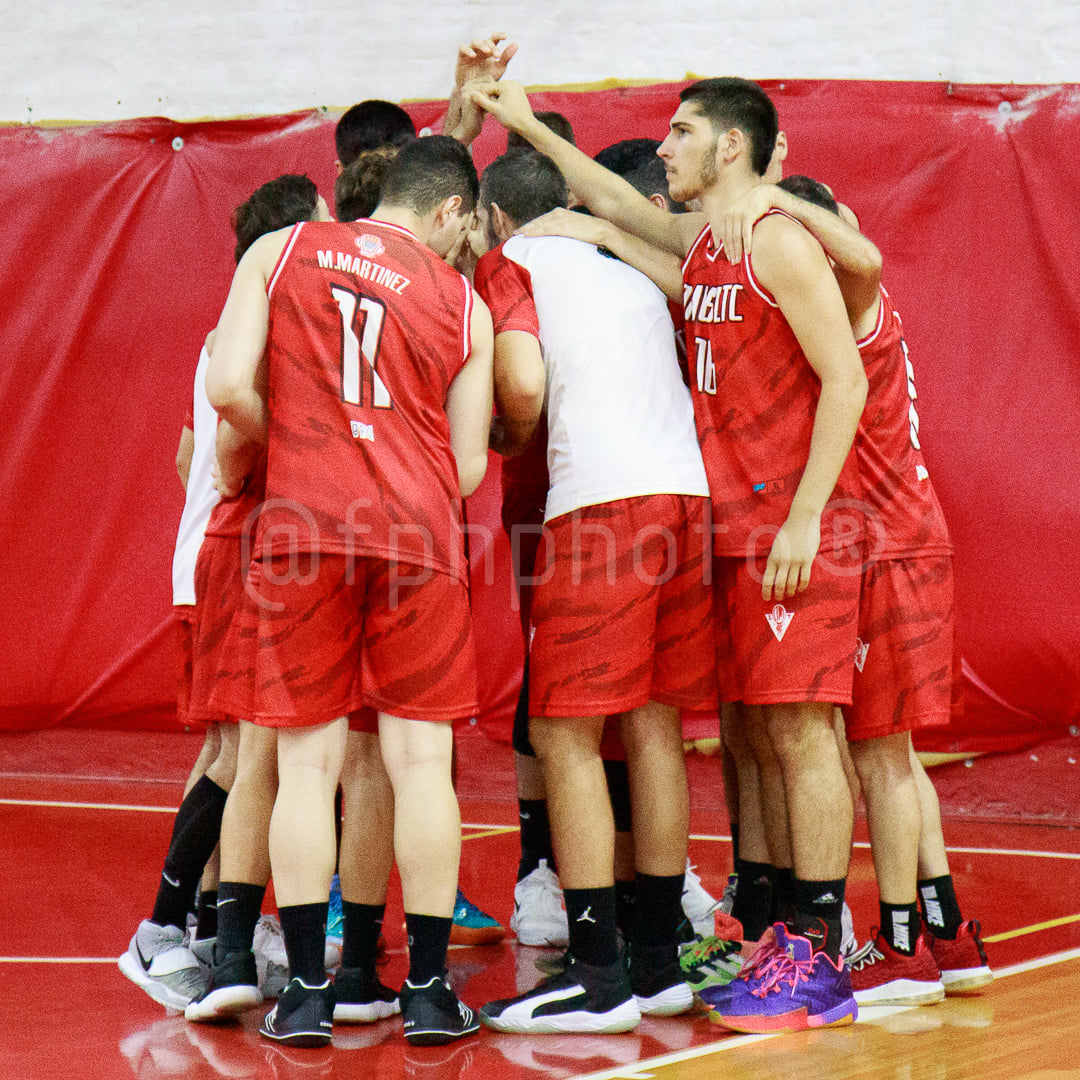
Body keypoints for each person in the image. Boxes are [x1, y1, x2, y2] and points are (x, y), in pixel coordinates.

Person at [471, 75, 868, 1034]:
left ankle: (805, 950)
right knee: (743, 733)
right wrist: (522, 122)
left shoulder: (771, 235)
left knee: (798, 733)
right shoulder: (701, 251)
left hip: (777, 517)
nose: (667, 148)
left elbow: (849, 361)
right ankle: (751, 939)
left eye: (683, 131)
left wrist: (810, 513)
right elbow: (608, 203)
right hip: (710, 516)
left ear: (731, 146)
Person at [206, 134, 493, 1048]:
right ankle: (432, 992)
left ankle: (299, 994)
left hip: (304, 527)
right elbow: (472, 464)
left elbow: (227, 388)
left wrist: (293, 437)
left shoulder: (280, 249)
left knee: (305, 767)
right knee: (418, 766)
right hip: (416, 534)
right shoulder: (463, 301)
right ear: (447, 210)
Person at [723, 173, 989, 1004]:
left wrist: (772, 201)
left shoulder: (854, 292)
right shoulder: (837, 309)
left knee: (877, 754)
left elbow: (863, 250)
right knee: (894, 752)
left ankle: (903, 943)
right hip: (898, 538)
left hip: (890, 542)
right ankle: (945, 931)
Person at [469, 146, 717, 1034]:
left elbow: (525, 383)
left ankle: (597, 970)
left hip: (603, 501)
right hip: (687, 493)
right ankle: (657, 958)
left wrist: (502, 431)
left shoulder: (510, 264)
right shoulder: (624, 264)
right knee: (652, 723)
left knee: (562, 732)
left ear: (493, 219)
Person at [118, 174, 329, 1014]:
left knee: (240, 754)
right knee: (240, 758)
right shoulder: (249, 332)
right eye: (319, 230)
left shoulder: (247, 325)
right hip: (231, 559)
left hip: (232, 555)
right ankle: (162, 928)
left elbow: (185, 453)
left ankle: (209, 925)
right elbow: (226, 446)